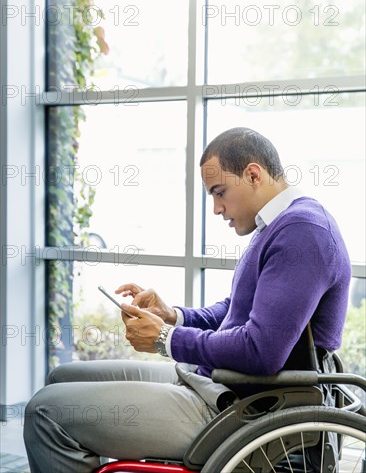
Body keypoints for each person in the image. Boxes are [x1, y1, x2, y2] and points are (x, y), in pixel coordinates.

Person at [23, 127, 351, 472]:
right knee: (62, 377)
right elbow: (235, 310)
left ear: (253, 174)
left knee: (47, 412)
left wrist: (167, 340)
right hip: (216, 385)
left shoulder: (303, 233)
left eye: (219, 192)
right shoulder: (279, 225)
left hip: (236, 408)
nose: (216, 208)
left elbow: (261, 350)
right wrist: (173, 317)